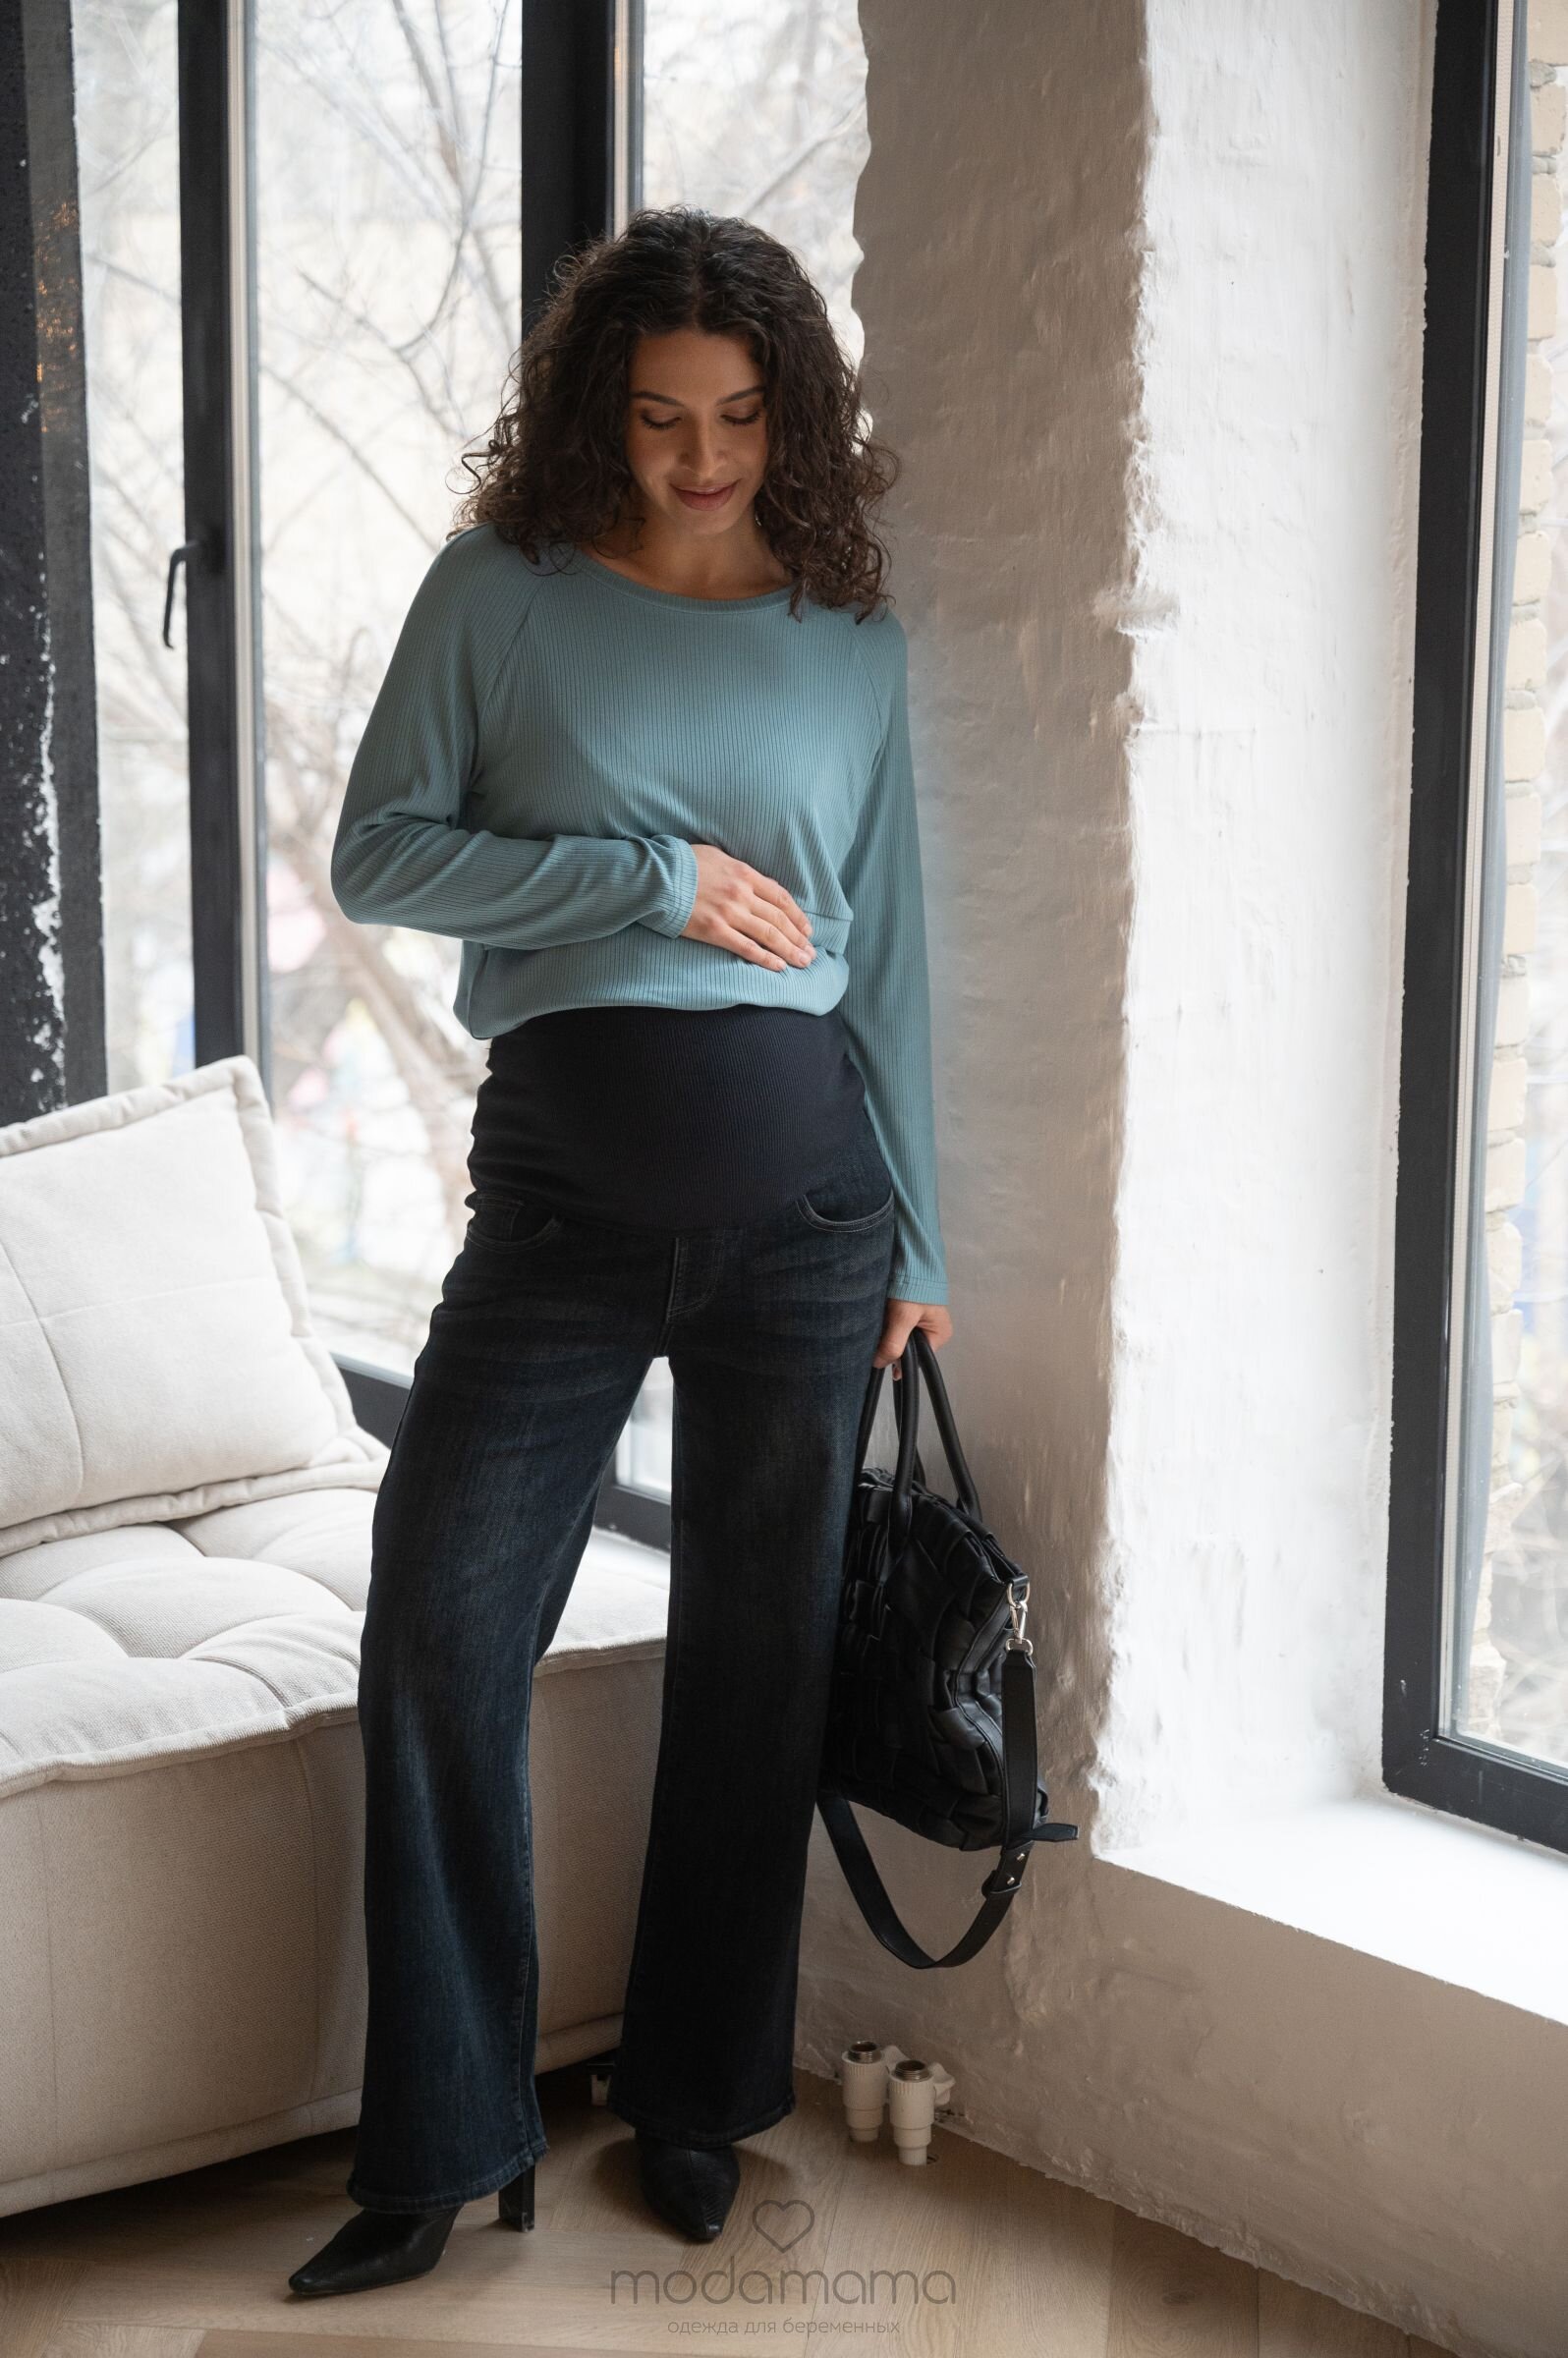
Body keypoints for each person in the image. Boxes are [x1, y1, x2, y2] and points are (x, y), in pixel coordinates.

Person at [288, 205, 951, 2302]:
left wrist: (927, 1228)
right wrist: (644, 879)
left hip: (810, 1224)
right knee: (439, 1631)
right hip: (561, 1216)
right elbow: (381, 850)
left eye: (742, 416)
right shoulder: (501, 595)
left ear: (793, 414)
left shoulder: (849, 639)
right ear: (601, 409)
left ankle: (694, 2100)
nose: (704, 458)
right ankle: (444, 2142)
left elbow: (887, 955)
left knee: (760, 1671)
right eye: (663, 417)